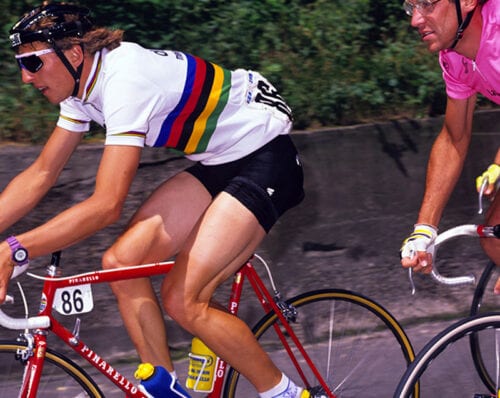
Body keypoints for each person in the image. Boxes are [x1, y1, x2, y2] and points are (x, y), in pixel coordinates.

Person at [0, 2, 307, 397]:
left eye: (34, 63)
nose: (26, 78)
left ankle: (285, 393)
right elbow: (40, 176)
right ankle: (165, 390)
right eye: (20, 65)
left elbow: (108, 203)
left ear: (73, 53)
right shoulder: (80, 88)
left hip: (267, 158)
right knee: (122, 264)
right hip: (218, 162)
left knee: (183, 300)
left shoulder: (126, 81)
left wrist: (15, 249)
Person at [400, 0, 499, 292]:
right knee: (494, 238)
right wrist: (424, 230)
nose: (416, 20)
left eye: (427, 4)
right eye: (411, 7)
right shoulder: (455, 58)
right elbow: (454, 139)